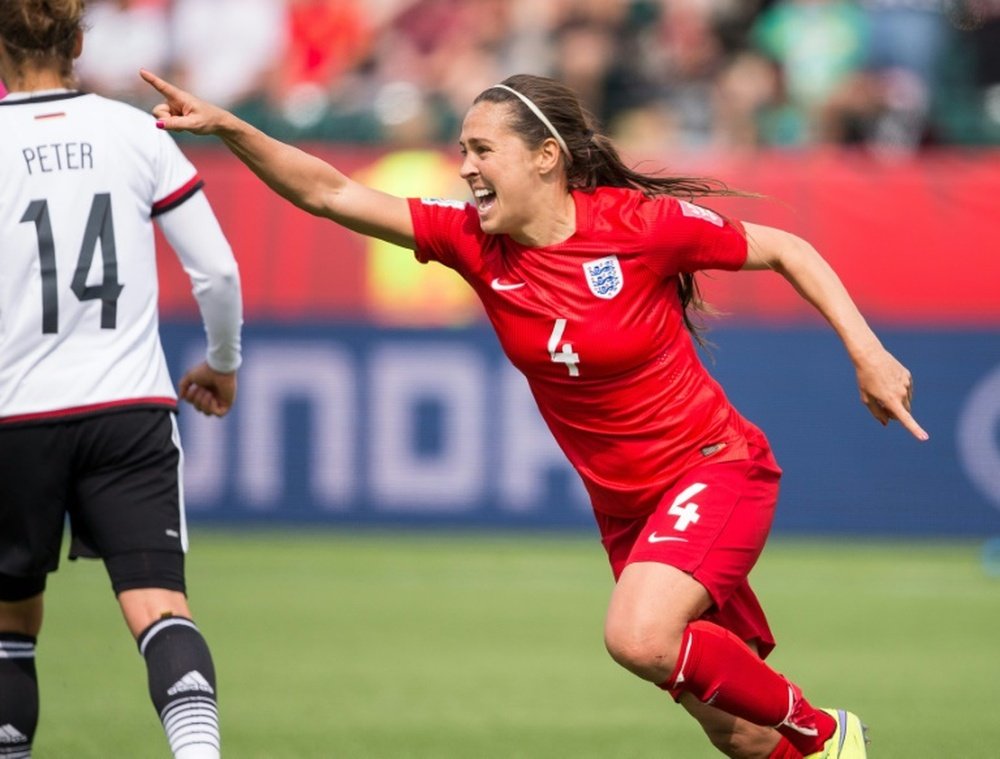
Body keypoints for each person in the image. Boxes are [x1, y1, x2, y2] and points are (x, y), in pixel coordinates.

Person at [141, 65, 928, 759]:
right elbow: (329, 190)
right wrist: (233, 128)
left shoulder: (638, 227)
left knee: (639, 637)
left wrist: (868, 352)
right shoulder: (474, 245)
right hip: (628, 515)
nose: (466, 167)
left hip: (715, 471)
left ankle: (830, 735)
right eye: (463, 151)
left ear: (546, 156)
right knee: (742, 734)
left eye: (483, 150)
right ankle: (802, 745)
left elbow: (790, 249)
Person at [0, 2, 243, 758]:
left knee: (11, 622)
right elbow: (217, 271)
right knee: (160, 606)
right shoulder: (135, 130)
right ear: (78, 42)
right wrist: (222, 363)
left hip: (13, 414)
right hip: (127, 409)